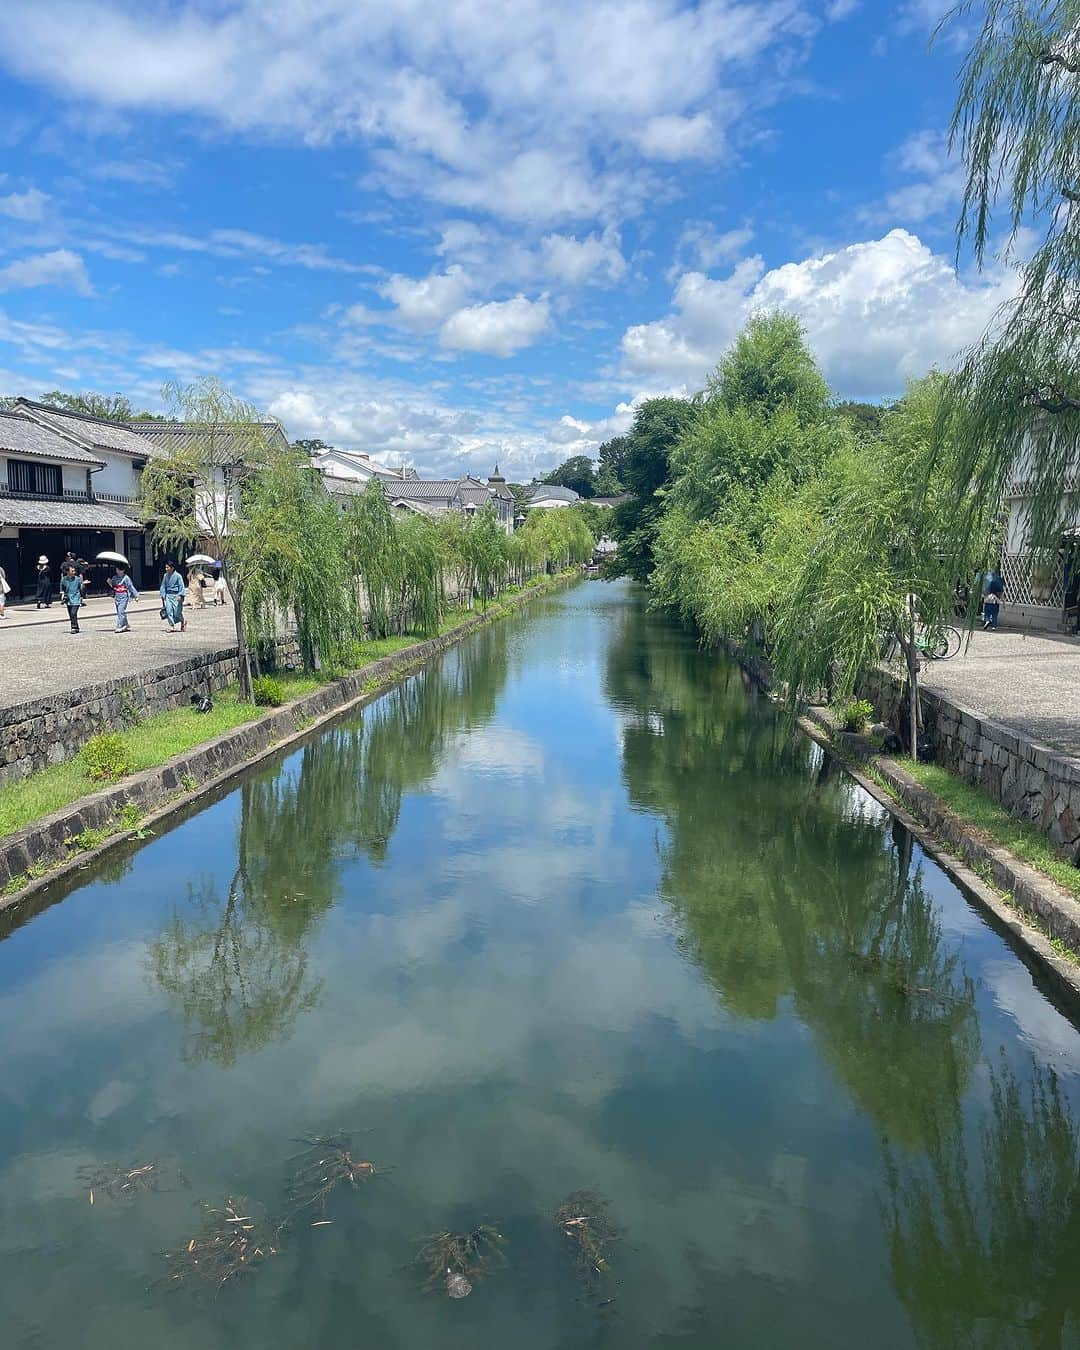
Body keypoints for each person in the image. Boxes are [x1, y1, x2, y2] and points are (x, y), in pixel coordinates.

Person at [109, 563, 138, 633]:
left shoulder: (126, 578)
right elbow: (112, 585)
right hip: (117, 596)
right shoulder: (114, 577)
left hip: (124, 596)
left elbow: (130, 586)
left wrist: (135, 595)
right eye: (117, 569)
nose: (118, 571)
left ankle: (120, 626)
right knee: (119, 612)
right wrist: (109, 582)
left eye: (119, 570)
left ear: (123, 570)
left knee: (121, 611)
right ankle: (125, 624)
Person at [160, 560, 186, 632]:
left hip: (176, 595)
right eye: (165, 567)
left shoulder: (178, 576)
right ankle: (171, 625)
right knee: (169, 610)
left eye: (167, 567)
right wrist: (163, 594)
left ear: (172, 568)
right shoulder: (165, 576)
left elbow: (181, 586)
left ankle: (183, 621)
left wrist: (180, 595)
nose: (166, 569)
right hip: (168, 595)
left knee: (177, 612)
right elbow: (163, 585)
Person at [59, 563, 83, 633]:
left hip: (76, 598)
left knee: (73, 613)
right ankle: (76, 627)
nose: (73, 571)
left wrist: (81, 597)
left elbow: (80, 588)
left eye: (73, 570)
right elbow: (62, 588)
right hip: (68, 599)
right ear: (67, 572)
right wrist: (63, 595)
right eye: (71, 570)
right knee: (71, 614)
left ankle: (74, 627)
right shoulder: (64, 579)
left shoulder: (77, 579)